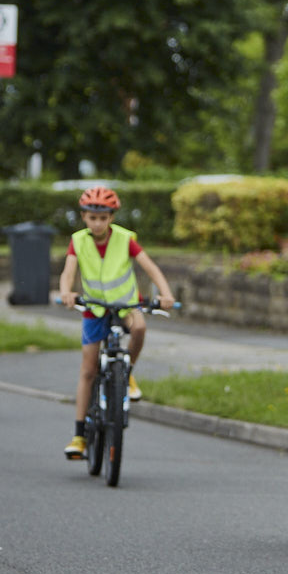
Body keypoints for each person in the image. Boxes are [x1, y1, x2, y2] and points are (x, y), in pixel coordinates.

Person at [58, 186, 175, 460]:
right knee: (87, 370)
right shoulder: (78, 241)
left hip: (125, 305)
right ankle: (79, 436)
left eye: (103, 217)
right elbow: (68, 272)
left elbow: (151, 268)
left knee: (140, 328)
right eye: (91, 217)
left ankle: (128, 373)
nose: (97, 223)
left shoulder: (125, 239)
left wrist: (166, 294)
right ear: (84, 217)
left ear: (111, 218)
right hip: (95, 308)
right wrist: (66, 292)